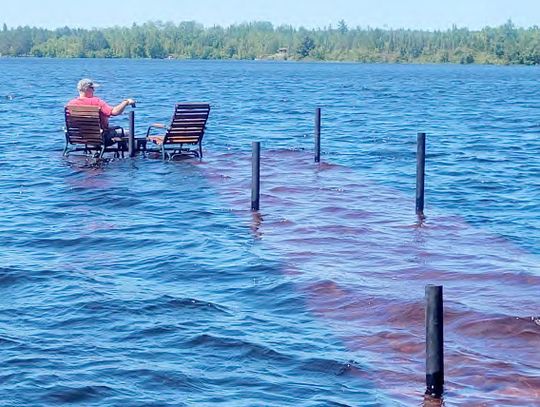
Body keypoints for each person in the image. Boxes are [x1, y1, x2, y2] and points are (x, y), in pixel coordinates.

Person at [66, 78, 136, 145]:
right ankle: (132, 156)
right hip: (101, 137)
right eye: (92, 88)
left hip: (80, 137)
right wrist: (126, 102)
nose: (94, 90)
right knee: (128, 133)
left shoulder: (70, 104)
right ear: (87, 89)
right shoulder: (96, 102)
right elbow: (114, 112)